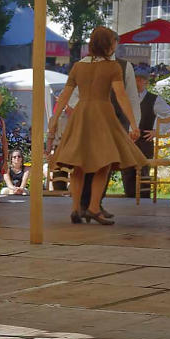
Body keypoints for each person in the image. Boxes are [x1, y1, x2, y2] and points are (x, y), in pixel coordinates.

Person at [50, 26, 146, 224]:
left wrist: (54, 118)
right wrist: (134, 123)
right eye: (113, 41)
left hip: (82, 114)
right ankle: (94, 207)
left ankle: (76, 209)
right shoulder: (112, 67)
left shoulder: (78, 66)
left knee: (79, 164)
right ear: (108, 44)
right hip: (102, 114)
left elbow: (66, 94)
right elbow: (121, 96)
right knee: (105, 162)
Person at [117, 69, 160, 198]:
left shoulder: (153, 99)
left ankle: (145, 199)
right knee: (127, 170)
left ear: (143, 81)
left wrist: (156, 131)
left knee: (143, 171)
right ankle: (129, 197)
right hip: (127, 141)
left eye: (138, 80)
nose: (135, 83)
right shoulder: (125, 98)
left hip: (144, 142)